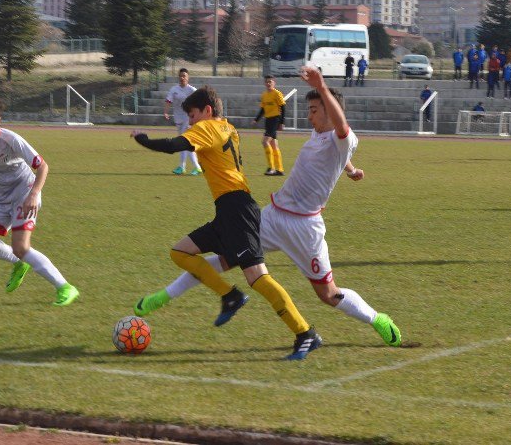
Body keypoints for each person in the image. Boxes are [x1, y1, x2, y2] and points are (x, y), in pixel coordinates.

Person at [134, 67, 402, 349]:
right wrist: (351, 169)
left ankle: (377, 319)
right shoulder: (320, 135)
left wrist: (322, 87)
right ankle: (163, 296)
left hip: (306, 228)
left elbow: (342, 134)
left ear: (329, 109)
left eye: (314, 109)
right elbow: (338, 155)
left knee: (328, 294)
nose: (309, 116)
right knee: (224, 259)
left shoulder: (344, 136)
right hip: (272, 217)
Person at [130, 86, 322, 360]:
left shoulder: (208, 128)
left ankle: (305, 333)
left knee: (258, 277)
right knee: (180, 252)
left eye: (193, 115)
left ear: (207, 111)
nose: (192, 122)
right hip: (229, 209)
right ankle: (230, 296)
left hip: (237, 211)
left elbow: (174, 146)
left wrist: (143, 138)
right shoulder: (228, 128)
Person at [0, 94, 78, 307]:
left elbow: (43, 166)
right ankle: (19, 263)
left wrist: (34, 194)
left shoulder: (11, 139)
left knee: (21, 246)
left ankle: (65, 287)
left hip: (24, 193)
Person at [164, 68, 202, 175]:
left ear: (188, 77)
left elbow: (201, 102)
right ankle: (187, 167)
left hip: (188, 119)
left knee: (184, 142)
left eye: (184, 76)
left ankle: (188, 166)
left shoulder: (192, 90)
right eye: (180, 76)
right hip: (178, 118)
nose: (182, 78)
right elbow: (168, 101)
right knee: (185, 143)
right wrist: (166, 112)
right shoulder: (174, 89)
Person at [254, 75, 286, 176]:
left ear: (274, 83)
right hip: (268, 120)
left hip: (275, 119)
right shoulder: (264, 95)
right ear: (265, 83)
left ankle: (271, 168)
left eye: (270, 82)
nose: (268, 83)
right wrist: (256, 119)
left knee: (264, 142)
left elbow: (283, 108)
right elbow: (263, 109)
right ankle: (280, 169)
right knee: (274, 144)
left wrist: (281, 122)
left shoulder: (277, 94)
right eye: (267, 82)